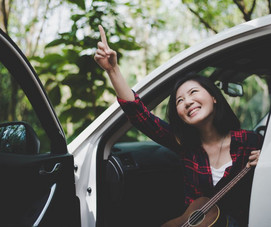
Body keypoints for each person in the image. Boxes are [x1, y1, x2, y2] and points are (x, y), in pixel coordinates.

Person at [94, 25, 262, 227]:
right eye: (179, 101)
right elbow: (140, 116)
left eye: (193, 92)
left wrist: (269, 159)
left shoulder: (251, 142)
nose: (187, 102)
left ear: (214, 97)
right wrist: (113, 70)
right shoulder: (186, 146)